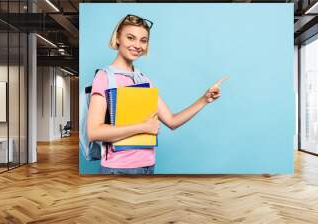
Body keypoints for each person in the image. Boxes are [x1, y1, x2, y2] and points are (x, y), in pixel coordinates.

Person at [87, 14, 226, 175]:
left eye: (143, 40)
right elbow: (94, 132)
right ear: (118, 37)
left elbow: (172, 121)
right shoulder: (104, 77)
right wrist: (143, 127)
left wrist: (204, 99)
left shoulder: (144, 80)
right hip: (118, 169)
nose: (137, 45)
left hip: (148, 166)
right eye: (131, 38)